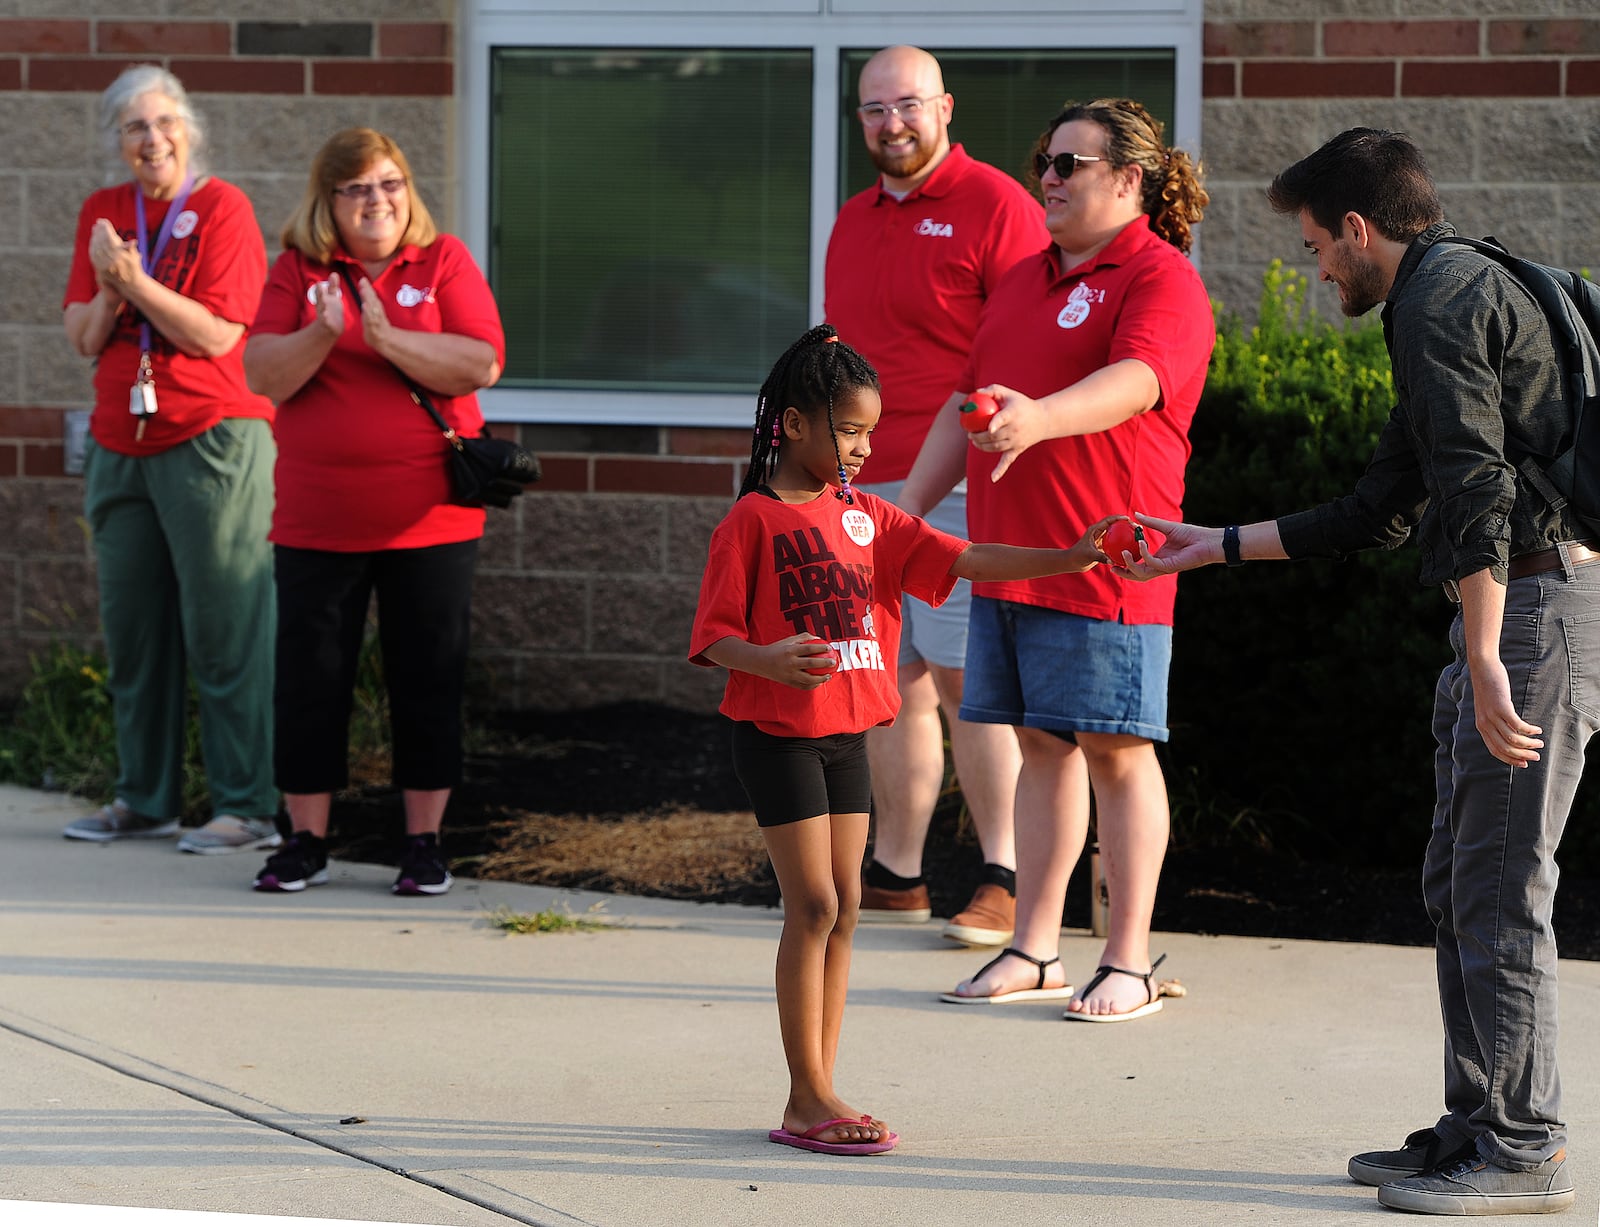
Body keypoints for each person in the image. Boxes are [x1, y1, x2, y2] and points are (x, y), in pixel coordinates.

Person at [1123, 128, 1584, 1216]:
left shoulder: (1434, 303)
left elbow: (1474, 488)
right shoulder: (1453, 286)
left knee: (1500, 888)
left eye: (1315, 246)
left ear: (1358, 228)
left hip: (1533, 606)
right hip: (1522, 603)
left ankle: (1522, 1149)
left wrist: (1480, 654)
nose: (1314, 267)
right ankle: (1478, 1125)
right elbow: (1385, 505)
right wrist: (1212, 542)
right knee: (1456, 881)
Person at [688, 324, 1120, 1154]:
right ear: (792, 426)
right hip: (776, 736)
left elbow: (968, 558)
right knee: (811, 904)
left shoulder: (871, 518)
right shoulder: (751, 519)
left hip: (846, 736)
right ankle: (806, 1094)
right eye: (847, 430)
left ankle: (820, 1088)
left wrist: (1071, 557)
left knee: (846, 907)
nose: (861, 448)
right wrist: (767, 658)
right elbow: (712, 636)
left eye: (870, 433)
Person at [900, 99, 1213, 1020]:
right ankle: (1036, 949)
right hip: (1011, 560)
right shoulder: (1023, 277)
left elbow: (1138, 383)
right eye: (1046, 159)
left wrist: (1039, 415)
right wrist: (904, 515)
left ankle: (1127, 959)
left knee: (1117, 751)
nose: (1048, 177)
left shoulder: (1160, 277)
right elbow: (966, 401)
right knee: (1041, 748)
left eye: (1071, 163)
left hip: (1107, 561)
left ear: (1130, 180)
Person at [825, 45, 1050, 945]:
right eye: (875, 110)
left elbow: (1020, 354)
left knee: (966, 679)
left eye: (908, 105)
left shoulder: (999, 206)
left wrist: (943, 480)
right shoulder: (852, 219)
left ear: (946, 108)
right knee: (889, 681)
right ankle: (898, 871)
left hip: (959, 480)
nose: (893, 124)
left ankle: (1003, 869)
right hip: (858, 483)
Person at [243, 128, 505, 897]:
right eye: (356, 188)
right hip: (317, 524)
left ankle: (422, 842)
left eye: (389, 183)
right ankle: (305, 840)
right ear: (327, 202)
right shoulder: (298, 270)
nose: (376, 200)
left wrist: (388, 340)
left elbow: (481, 359)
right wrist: (324, 331)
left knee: (426, 677)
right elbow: (263, 373)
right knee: (309, 681)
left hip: (432, 521)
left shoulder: (444, 260)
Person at [60, 65, 280, 856]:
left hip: (211, 436)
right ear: (117, 143)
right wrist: (114, 293)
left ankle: (248, 804)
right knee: (134, 629)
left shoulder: (222, 209)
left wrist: (131, 281)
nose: (151, 140)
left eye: (162, 124)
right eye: (133, 129)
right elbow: (84, 335)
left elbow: (218, 335)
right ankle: (143, 798)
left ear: (188, 130)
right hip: (120, 441)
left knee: (226, 626)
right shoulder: (103, 213)